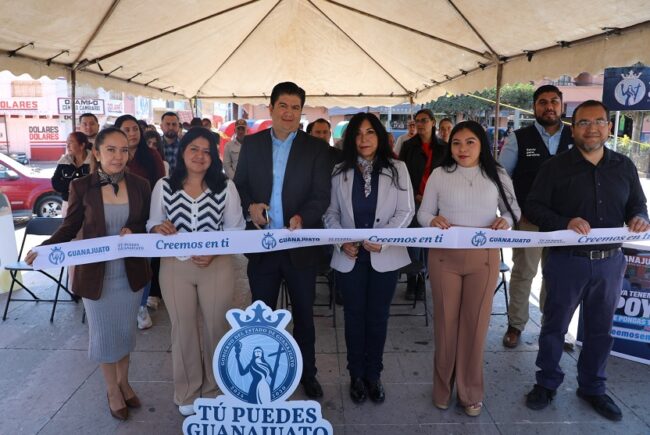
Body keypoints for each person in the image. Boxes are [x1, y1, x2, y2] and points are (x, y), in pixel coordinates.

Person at [524, 100, 649, 422]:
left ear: (609, 127)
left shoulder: (623, 166)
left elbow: (638, 204)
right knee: (554, 327)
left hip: (610, 263)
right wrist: (564, 222)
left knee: (600, 330)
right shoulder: (554, 167)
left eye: (598, 122)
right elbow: (533, 207)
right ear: (573, 128)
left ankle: (593, 387)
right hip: (567, 261)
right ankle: (546, 382)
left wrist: (639, 217)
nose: (591, 128)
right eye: (583, 122)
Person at [25, 127, 152, 421]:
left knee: (125, 332)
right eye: (111, 150)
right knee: (104, 334)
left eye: (124, 150)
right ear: (96, 152)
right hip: (96, 276)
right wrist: (44, 249)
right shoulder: (82, 186)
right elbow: (70, 226)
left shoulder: (141, 185)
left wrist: (134, 229)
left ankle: (124, 382)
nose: (118, 156)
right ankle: (112, 389)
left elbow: (146, 222)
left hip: (130, 274)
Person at [234, 81, 331, 399]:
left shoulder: (315, 148)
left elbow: (321, 195)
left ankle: (307, 374)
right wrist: (251, 206)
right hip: (263, 247)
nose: (289, 113)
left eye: (295, 107)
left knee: (304, 315)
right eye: (283, 106)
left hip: (299, 246)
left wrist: (303, 216)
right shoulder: (252, 144)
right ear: (271, 108)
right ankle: (261, 378)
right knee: (261, 315)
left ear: (301, 112)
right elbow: (240, 185)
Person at [417, 120, 520, 417]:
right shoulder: (440, 174)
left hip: (483, 259)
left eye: (470, 142)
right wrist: (432, 220)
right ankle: (442, 389)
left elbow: (513, 210)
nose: (462, 149)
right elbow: (424, 212)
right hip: (444, 258)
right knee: (445, 325)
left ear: (482, 144)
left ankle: (470, 392)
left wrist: (505, 221)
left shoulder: (497, 174)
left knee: (475, 327)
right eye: (456, 143)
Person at [148, 127, 245, 416]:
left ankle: (215, 389)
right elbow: (152, 223)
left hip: (217, 265)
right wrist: (158, 228)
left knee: (217, 327)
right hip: (174, 266)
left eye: (206, 151)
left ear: (213, 156)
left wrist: (215, 250)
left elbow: (236, 229)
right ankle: (187, 392)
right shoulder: (164, 185)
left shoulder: (225, 186)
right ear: (183, 152)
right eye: (194, 149)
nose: (200, 156)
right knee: (183, 329)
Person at [323, 112, 414, 404]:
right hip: (350, 257)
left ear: (380, 136)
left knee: (377, 317)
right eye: (358, 134)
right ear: (351, 138)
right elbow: (330, 213)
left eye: (370, 132)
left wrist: (383, 239)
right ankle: (356, 375)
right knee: (353, 318)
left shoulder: (397, 168)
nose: (364, 139)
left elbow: (406, 211)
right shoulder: (339, 171)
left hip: (384, 257)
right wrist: (341, 241)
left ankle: (373, 375)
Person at [498, 85, 573, 348]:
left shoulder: (576, 135)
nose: (549, 106)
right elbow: (502, 179)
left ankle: (552, 328)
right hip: (528, 221)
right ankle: (515, 325)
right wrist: (515, 213)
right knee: (524, 273)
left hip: (564, 224)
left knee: (556, 276)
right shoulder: (518, 138)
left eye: (554, 101)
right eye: (542, 102)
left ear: (561, 106)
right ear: (534, 107)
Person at [114, 114, 166, 330]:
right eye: (126, 130)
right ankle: (122, 305)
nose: (132, 133)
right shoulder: (115, 155)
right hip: (118, 215)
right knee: (120, 263)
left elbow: (161, 186)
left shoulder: (151, 155)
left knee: (143, 263)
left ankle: (141, 305)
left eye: (135, 129)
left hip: (146, 216)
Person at [399, 109, 446, 300]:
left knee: (429, 243)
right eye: (417, 121)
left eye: (424, 120)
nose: (419, 124)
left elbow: (448, 175)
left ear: (433, 122)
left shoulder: (444, 147)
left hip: (437, 203)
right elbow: (402, 175)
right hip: (414, 200)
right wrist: (415, 195)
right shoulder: (408, 146)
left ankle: (423, 279)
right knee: (413, 241)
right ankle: (412, 280)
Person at [51, 132, 92, 216]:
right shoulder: (64, 161)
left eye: (71, 142)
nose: (67, 146)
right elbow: (55, 182)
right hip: (68, 203)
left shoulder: (94, 161)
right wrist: (71, 187)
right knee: (68, 224)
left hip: (90, 203)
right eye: (67, 143)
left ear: (82, 145)